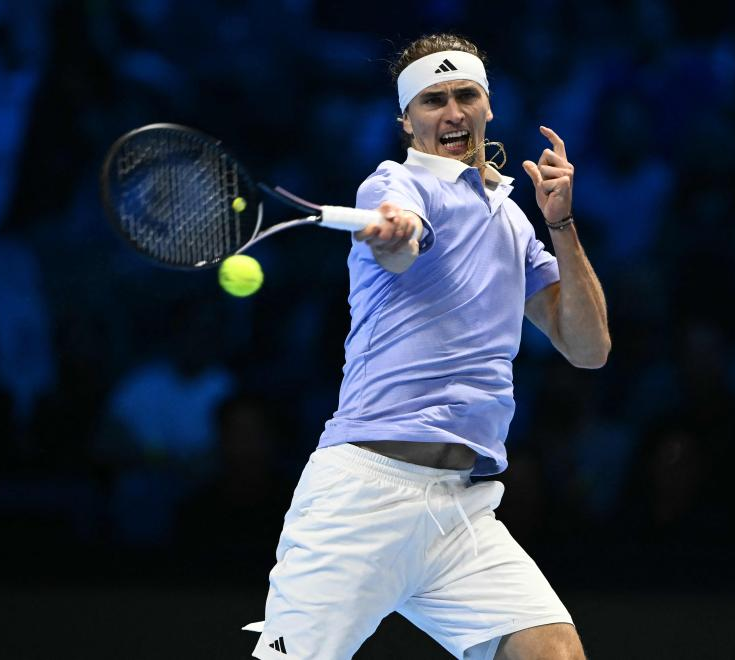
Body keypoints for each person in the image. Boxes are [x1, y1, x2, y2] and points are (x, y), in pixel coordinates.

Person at [250, 33, 610, 660]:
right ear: (406, 120)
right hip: (364, 497)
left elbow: (589, 347)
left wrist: (560, 223)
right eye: (433, 100)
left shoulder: (513, 219)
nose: (452, 113)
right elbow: (401, 238)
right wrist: (398, 232)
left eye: (465, 95)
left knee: (554, 653)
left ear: (488, 105)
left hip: (461, 512)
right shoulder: (393, 183)